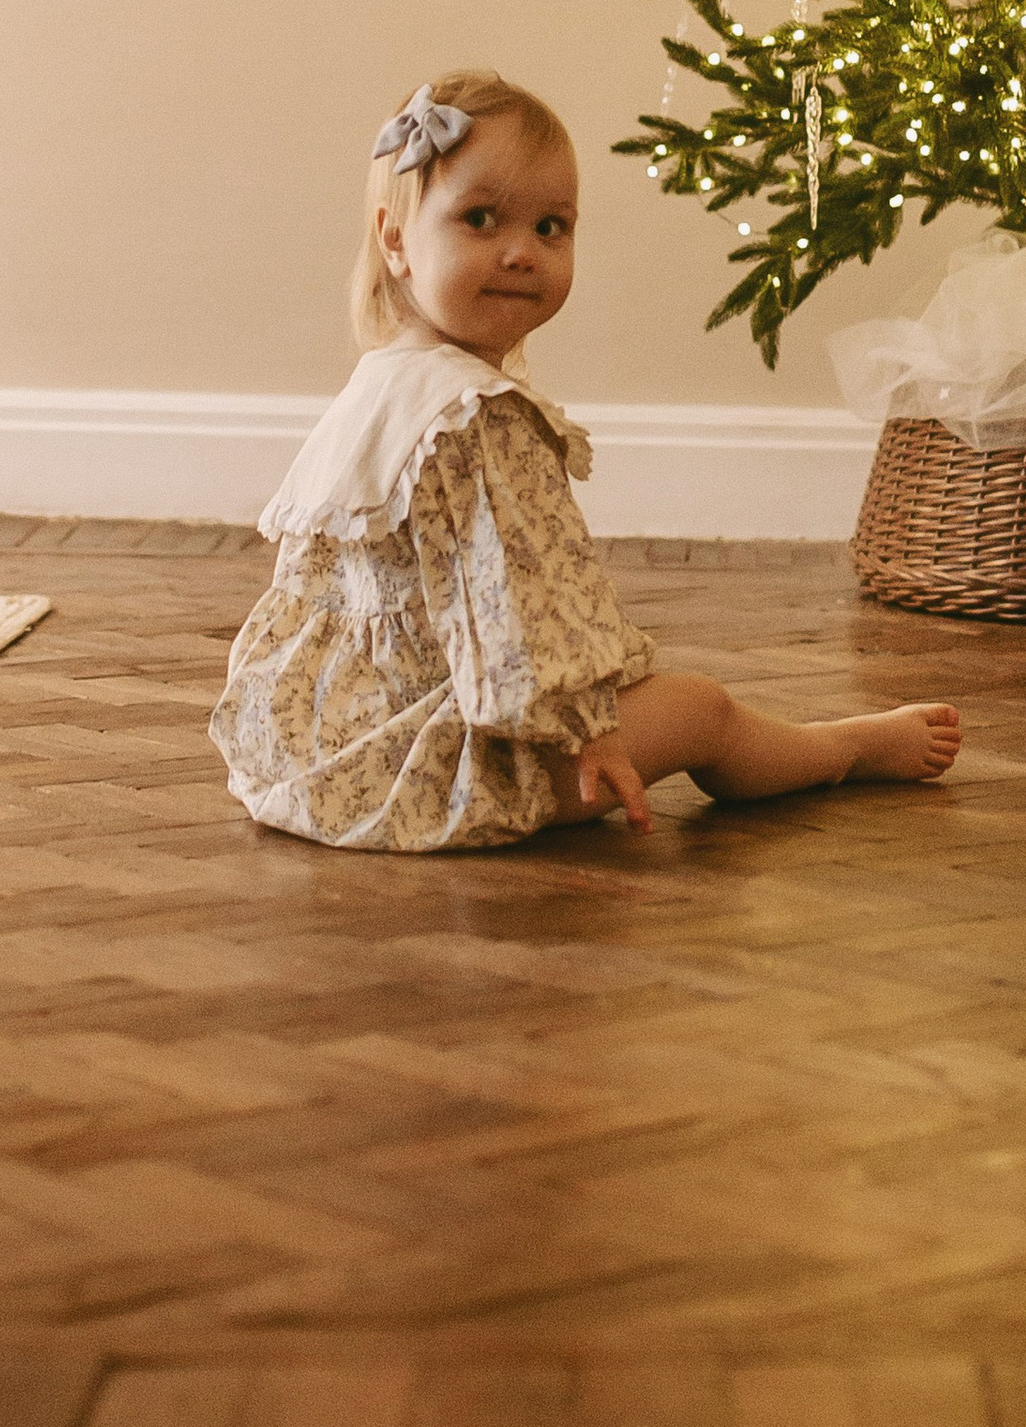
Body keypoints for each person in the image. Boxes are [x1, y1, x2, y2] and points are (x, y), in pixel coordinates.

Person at [211, 67, 961, 852]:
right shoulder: (475, 418)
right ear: (396, 240)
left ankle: (814, 742)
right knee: (702, 709)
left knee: (649, 689)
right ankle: (839, 750)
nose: (520, 252)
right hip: (446, 759)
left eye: (550, 227)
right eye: (480, 219)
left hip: (320, 749)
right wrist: (589, 730)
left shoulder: (381, 385)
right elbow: (511, 600)